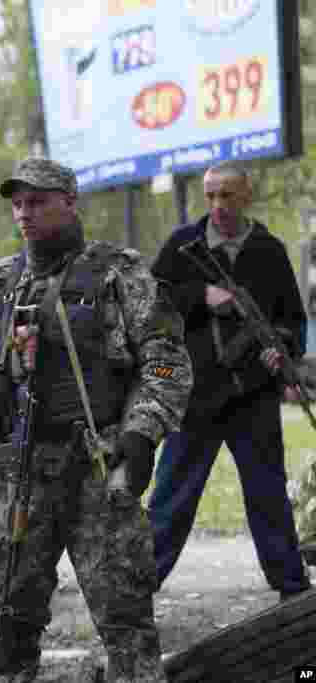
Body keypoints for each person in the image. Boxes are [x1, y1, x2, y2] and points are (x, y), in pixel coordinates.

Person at [0, 157, 192, 682]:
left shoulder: (119, 273)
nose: (25, 213)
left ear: (70, 201)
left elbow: (165, 360)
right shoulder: (3, 280)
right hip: (20, 472)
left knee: (125, 619)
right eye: (18, 203)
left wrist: (141, 434)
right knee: (7, 618)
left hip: (97, 466)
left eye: (38, 201)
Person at [147, 160, 312, 600]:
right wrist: (200, 296)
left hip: (253, 398)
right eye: (211, 195)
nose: (218, 204)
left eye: (228, 195)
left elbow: (293, 321)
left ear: (246, 197)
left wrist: (284, 349)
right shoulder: (184, 245)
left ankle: (293, 592)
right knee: (170, 501)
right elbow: (149, 307)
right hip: (195, 398)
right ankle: (134, 593)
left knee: (268, 497)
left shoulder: (269, 250)